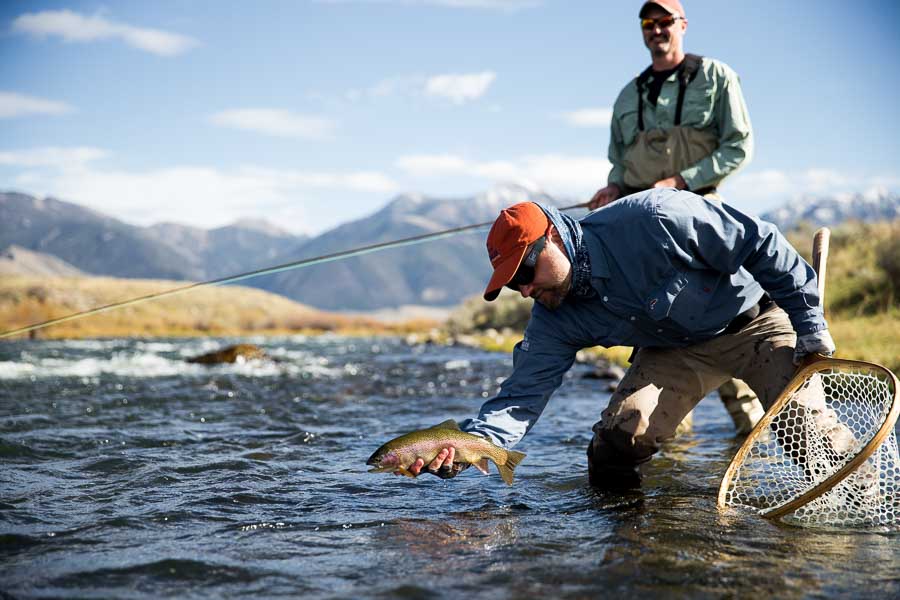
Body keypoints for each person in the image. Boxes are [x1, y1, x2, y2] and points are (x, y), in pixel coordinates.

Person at [401, 191, 836, 488]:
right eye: (513, 286)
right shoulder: (554, 318)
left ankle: (867, 515)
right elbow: (519, 400)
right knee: (613, 448)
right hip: (675, 352)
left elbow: (759, 243)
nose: (527, 291)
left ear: (553, 238)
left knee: (811, 440)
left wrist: (810, 322)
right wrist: (467, 450)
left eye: (525, 274)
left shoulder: (655, 218)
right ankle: (631, 556)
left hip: (755, 324)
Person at [589, 0, 762, 435]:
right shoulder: (628, 95)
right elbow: (618, 163)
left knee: (723, 319)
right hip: (643, 231)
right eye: (649, 22)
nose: (657, 29)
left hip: (706, 218)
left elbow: (737, 147)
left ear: (682, 25)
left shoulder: (716, 76)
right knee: (659, 326)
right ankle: (667, 442)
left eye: (665, 21)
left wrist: (680, 183)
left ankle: (750, 433)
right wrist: (613, 190)